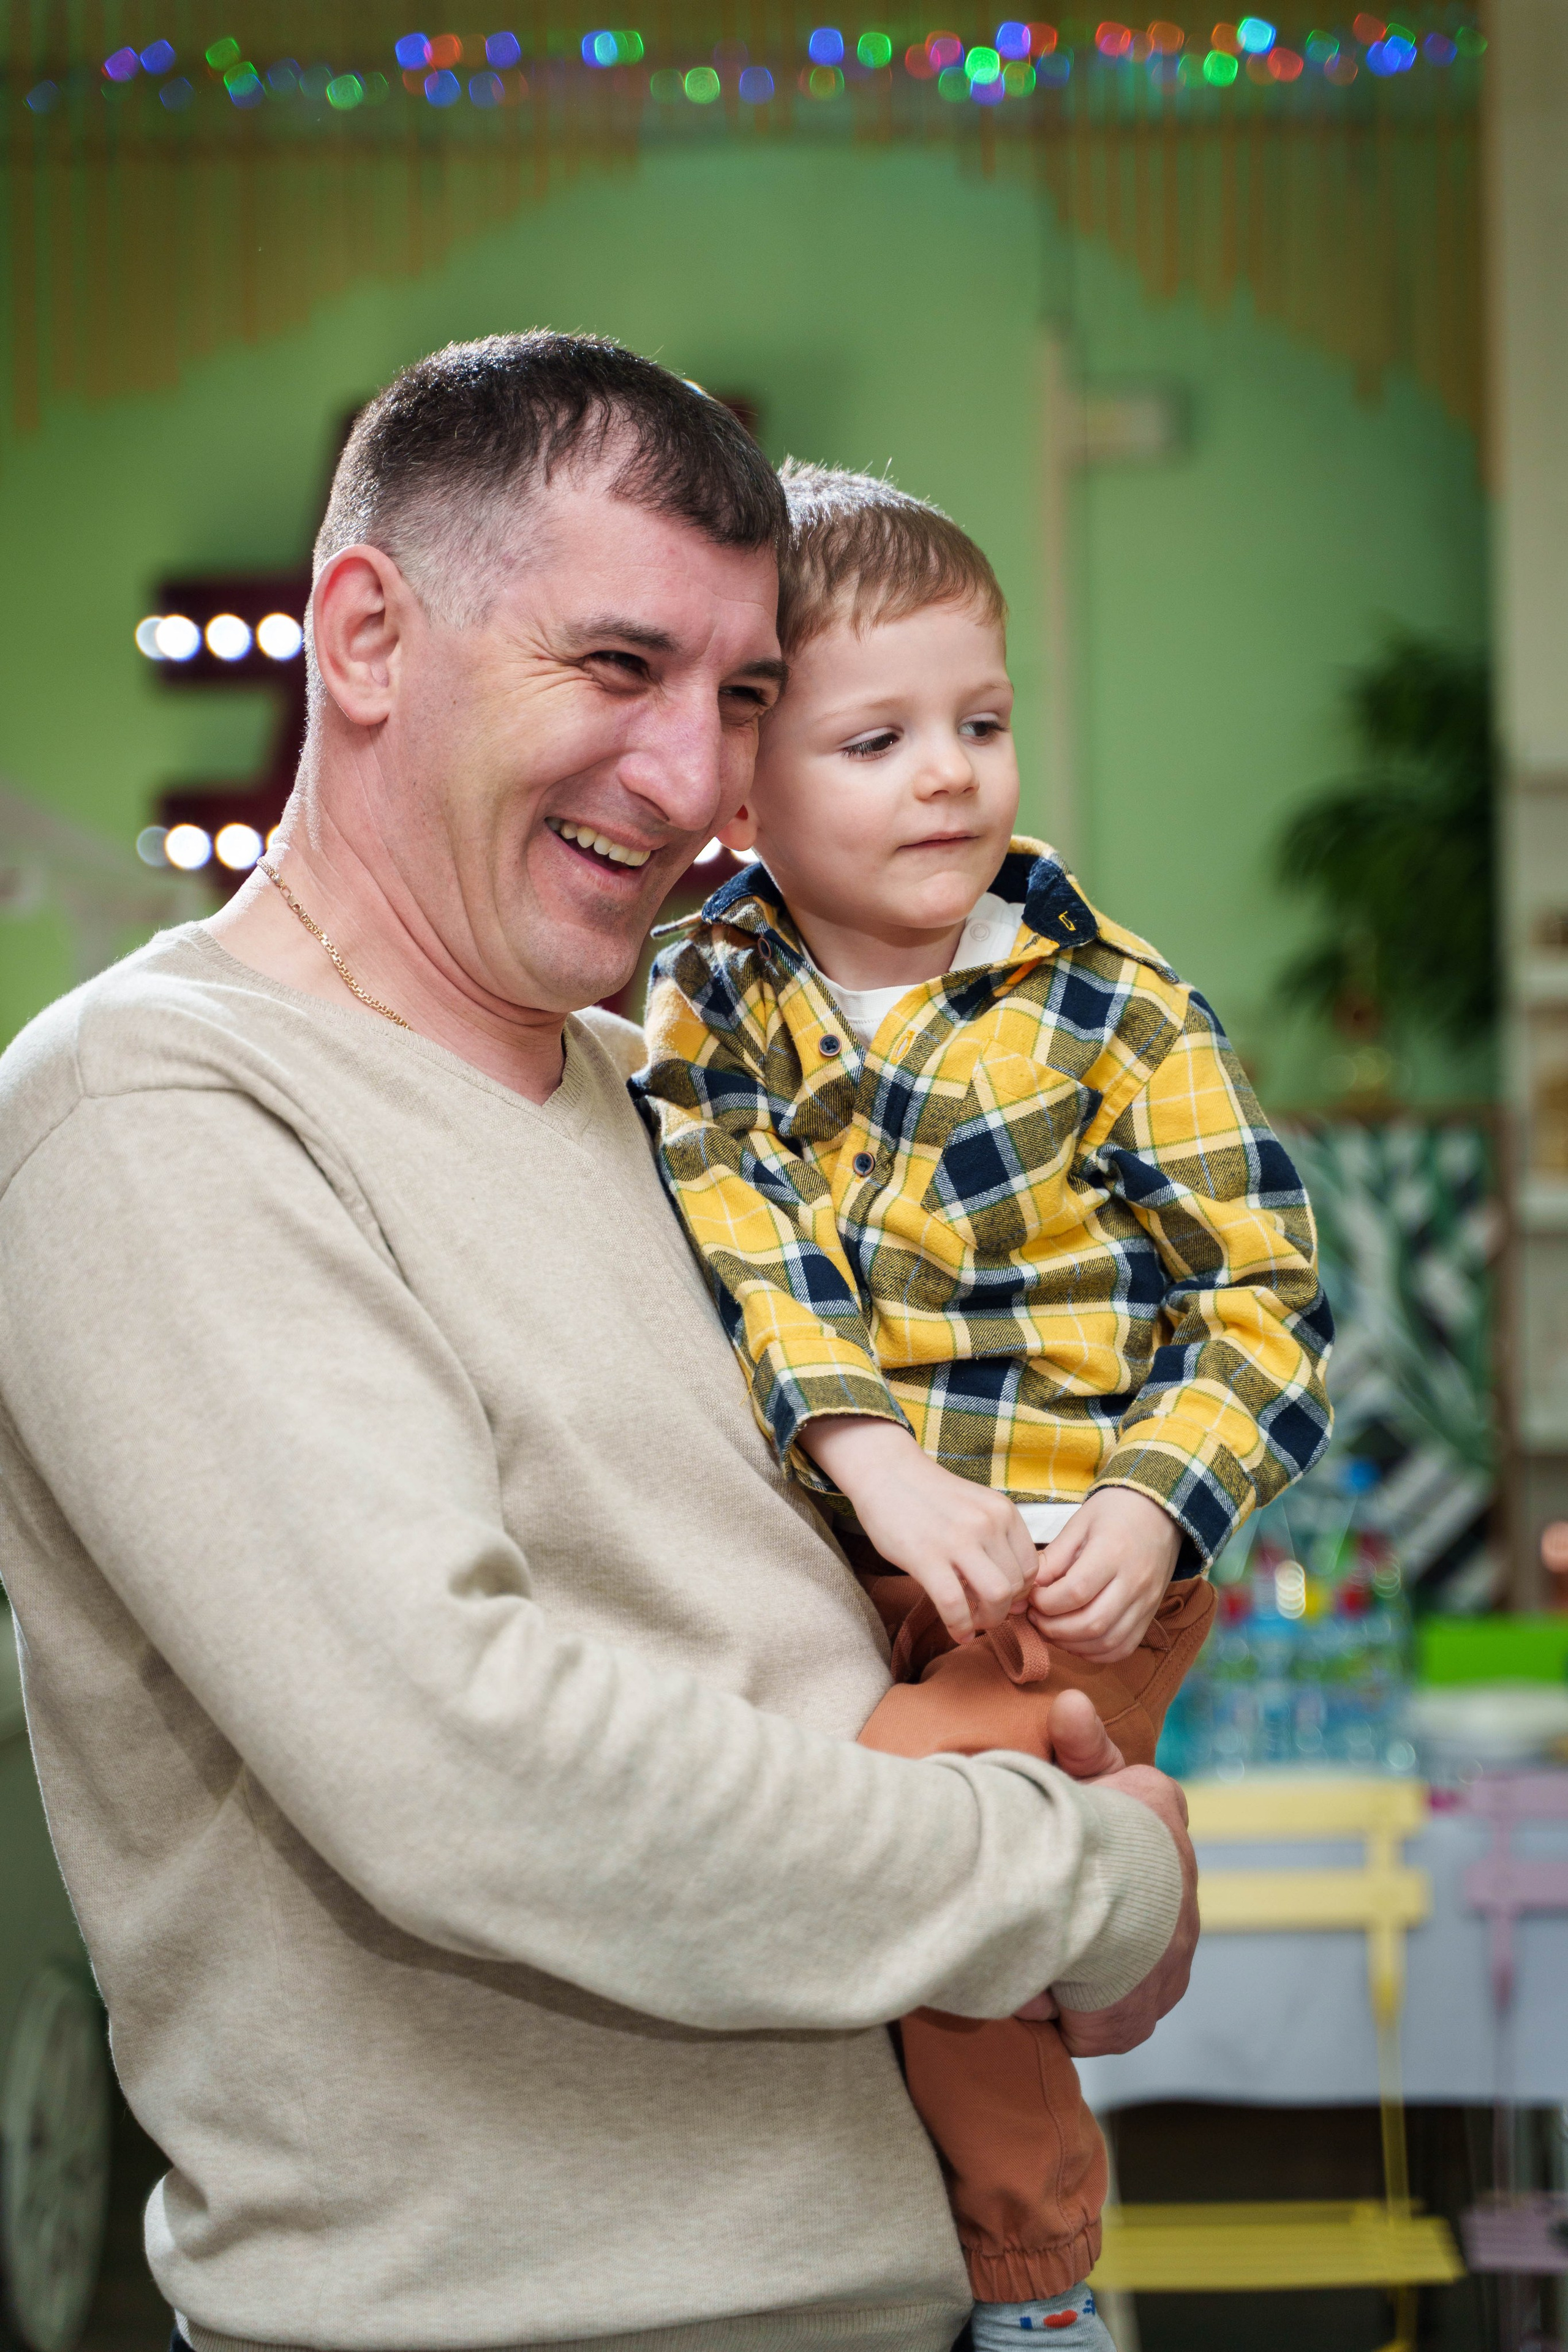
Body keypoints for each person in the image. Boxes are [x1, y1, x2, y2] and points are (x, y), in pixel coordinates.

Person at [0, 335, 1197, 2352]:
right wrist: (1079, 1882)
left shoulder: (684, 1108)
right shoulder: (158, 1112)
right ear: (367, 637)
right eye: (617, 668)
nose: (696, 781)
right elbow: (470, 1767)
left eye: (742, 697)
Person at [636, 464, 1333, 2346]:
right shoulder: (706, 998)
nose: (947, 773)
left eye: (982, 722)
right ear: (744, 775)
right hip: (862, 1555)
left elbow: (1266, 1297)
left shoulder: (1116, 1011)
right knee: (855, 1915)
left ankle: (1038, 2282)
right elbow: (745, 1241)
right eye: (877, 739)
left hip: (1061, 1567)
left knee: (902, 1857)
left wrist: (1151, 1512)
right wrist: (870, 1469)